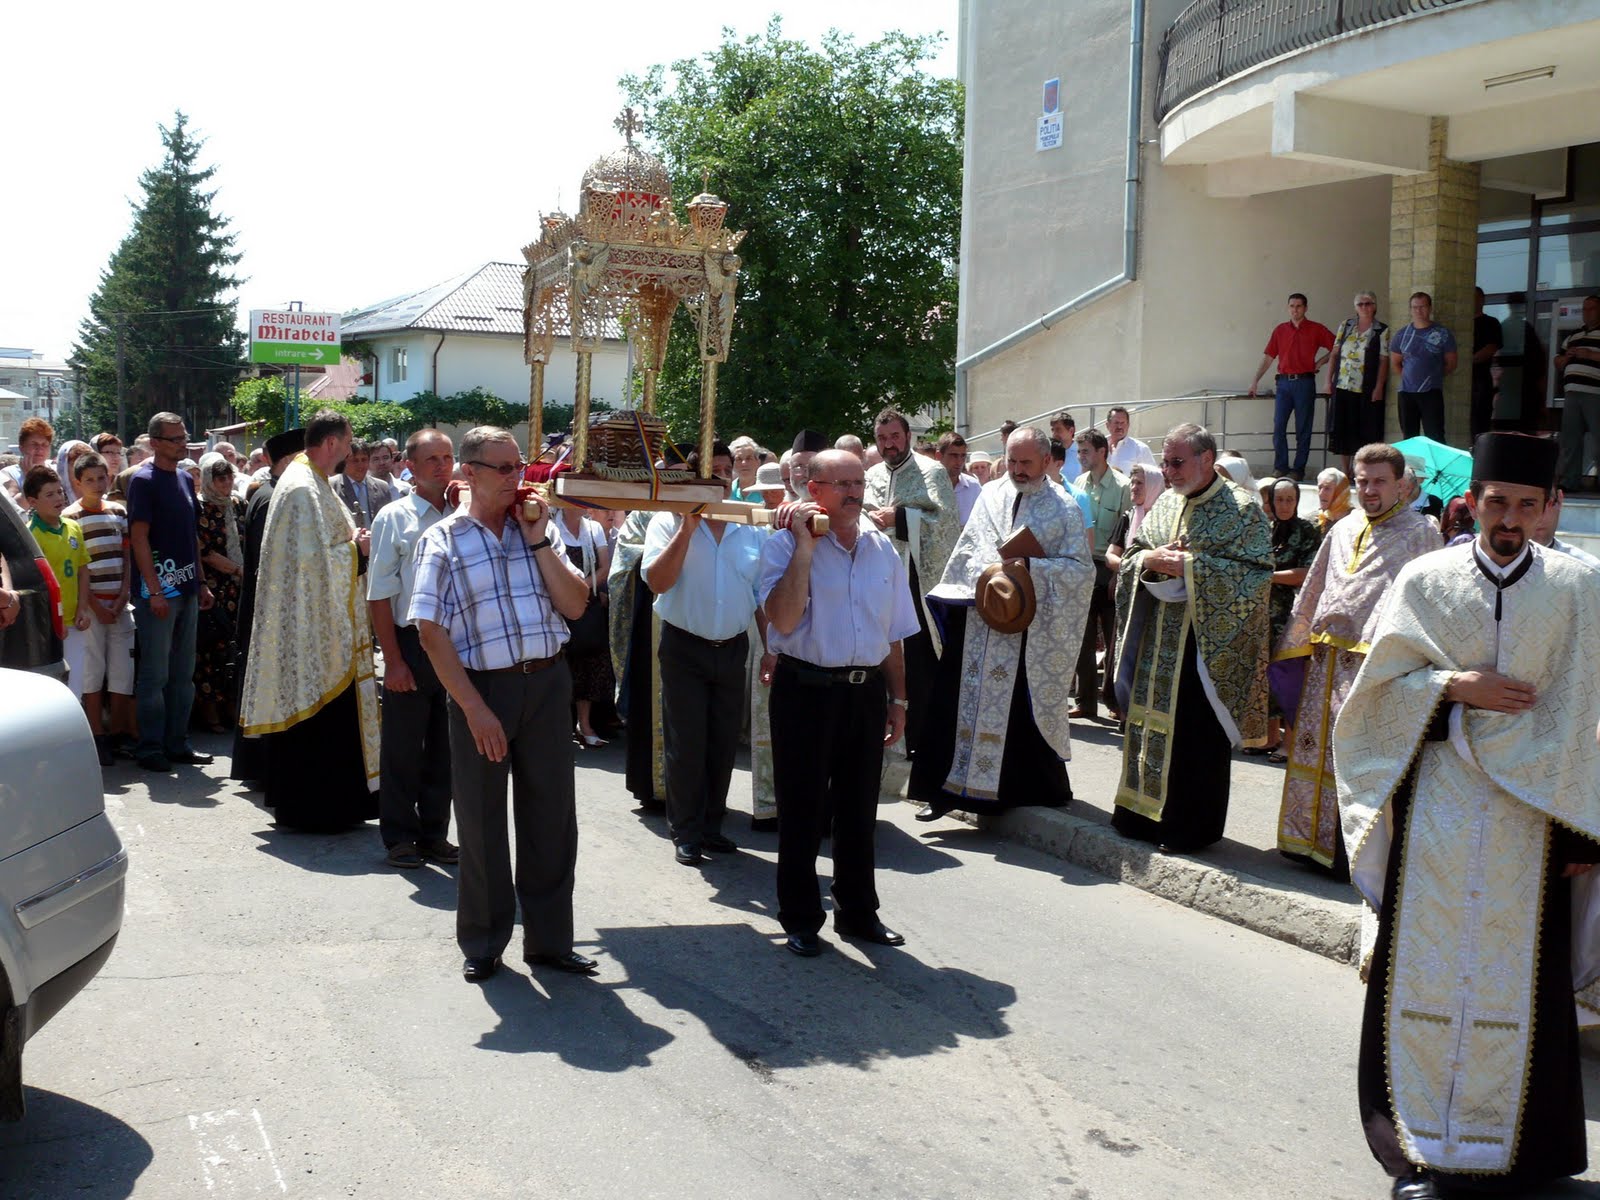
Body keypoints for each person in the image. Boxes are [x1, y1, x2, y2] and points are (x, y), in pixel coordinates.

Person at [1335, 432, 1600, 1199]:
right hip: (1440, 814)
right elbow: (1373, 701)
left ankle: (1528, 1155)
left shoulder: (1579, 590)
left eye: (1526, 503)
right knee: (1424, 977)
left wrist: (1584, 829)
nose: (1509, 518)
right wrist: (1452, 687)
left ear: (1549, 505)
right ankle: (1419, 1151)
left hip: (1535, 821)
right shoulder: (1425, 580)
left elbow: (1590, 713)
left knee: (1526, 987)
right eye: (1496, 502)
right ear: (1471, 501)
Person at [409, 425, 596, 983]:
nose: (518, 477)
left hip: (546, 684)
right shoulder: (442, 539)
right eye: (505, 468)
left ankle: (550, 940)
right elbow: (429, 631)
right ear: (469, 474)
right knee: (483, 819)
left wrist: (539, 539)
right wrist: (473, 707)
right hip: (483, 690)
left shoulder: (537, 529)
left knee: (551, 816)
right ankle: (485, 941)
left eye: (520, 466)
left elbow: (577, 605)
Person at [762, 449, 918, 956]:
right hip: (805, 689)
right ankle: (802, 917)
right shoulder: (783, 543)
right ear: (814, 489)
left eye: (860, 482)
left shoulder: (881, 547)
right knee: (803, 808)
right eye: (843, 484)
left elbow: (893, 633)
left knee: (857, 810)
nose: (855, 492)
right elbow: (782, 621)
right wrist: (805, 548)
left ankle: (857, 912)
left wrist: (899, 698)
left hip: (865, 690)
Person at [910, 426, 1094, 822]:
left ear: (1046, 461)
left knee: (1018, 715)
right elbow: (968, 547)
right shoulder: (990, 493)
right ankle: (943, 791)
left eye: (1026, 462)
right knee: (952, 703)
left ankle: (1020, 792)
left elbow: (1081, 572)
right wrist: (986, 573)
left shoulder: (1064, 508)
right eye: (1011, 460)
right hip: (979, 615)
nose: (1017, 469)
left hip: (1026, 629)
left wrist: (1028, 568)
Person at [1272, 444, 1437, 874]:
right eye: (1362, 481)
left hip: (1374, 668)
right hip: (1326, 662)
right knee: (1315, 751)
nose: (1369, 490)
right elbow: (1316, 586)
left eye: (1379, 481)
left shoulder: (1420, 534)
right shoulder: (1343, 527)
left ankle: (1351, 857)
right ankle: (1305, 841)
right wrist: (1299, 640)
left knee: (1356, 757)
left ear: (1401, 484)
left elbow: (1428, 606)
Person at [1111, 423, 1273, 852]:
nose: (1169, 470)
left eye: (1177, 462)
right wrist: (1149, 557)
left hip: (1204, 649)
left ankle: (1188, 827)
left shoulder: (1242, 509)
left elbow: (1257, 575)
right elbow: (1133, 553)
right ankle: (1140, 816)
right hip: (1157, 636)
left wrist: (1191, 568)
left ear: (1206, 459)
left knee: (1193, 737)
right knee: (1147, 725)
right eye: (1165, 462)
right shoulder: (1165, 503)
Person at [237, 411, 380, 829]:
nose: (352, 449)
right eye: (349, 441)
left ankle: (337, 804)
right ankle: (318, 809)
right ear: (333, 443)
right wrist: (358, 551)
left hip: (320, 621)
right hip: (311, 631)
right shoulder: (302, 487)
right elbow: (311, 563)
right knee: (320, 723)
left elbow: (321, 544)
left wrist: (351, 541)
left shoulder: (309, 480)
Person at [642, 458, 766, 865]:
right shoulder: (666, 521)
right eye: (709, 469)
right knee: (687, 743)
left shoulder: (747, 524)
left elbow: (761, 593)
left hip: (731, 647)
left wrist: (773, 650)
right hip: (685, 647)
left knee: (723, 742)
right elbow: (657, 582)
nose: (718, 475)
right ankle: (686, 829)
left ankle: (712, 825)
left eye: (724, 468)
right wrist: (686, 528)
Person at [368, 429, 458, 870]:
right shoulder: (394, 517)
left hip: (459, 645)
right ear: (411, 466)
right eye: (432, 459)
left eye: (448, 457)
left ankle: (434, 833)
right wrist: (395, 660)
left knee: (447, 745)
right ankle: (400, 836)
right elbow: (380, 595)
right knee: (404, 746)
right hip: (413, 642)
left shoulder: (468, 513)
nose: (442, 466)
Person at [863, 408, 958, 755]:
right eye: (883, 438)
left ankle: (921, 743)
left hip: (915, 584)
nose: (889, 445)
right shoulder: (870, 474)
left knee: (917, 665)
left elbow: (946, 524)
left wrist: (900, 517)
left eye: (895, 437)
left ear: (908, 437)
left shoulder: (931, 471)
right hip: (874, 582)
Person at [127, 412, 215, 772]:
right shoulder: (143, 481)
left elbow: (190, 536)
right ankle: (150, 747)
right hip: (159, 594)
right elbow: (139, 538)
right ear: (155, 443)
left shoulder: (183, 478)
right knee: (155, 674)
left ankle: (177, 742)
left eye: (184, 437)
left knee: (183, 673)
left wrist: (203, 582)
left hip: (189, 587)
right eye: (175, 439)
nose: (183, 444)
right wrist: (155, 590)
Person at [230, 428, 304, 784]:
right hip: (268, 609)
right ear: (288, 460)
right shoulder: (272, 498)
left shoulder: (275, 494)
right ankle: (260, 767)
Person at [64, 451, 135, 765]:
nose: (96, 484)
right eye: (89, 479)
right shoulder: (71, 517)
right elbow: (80, 568)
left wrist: (123, 595)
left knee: (123, 672)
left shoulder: (119, 512)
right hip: (92, 608)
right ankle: (97, 734)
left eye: (101, 477)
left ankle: (119, 733)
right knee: (94, 673)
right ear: (77, 482)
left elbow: (126, 557)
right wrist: (94, 604)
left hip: (120, 604)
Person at [1250, 477, 1322, 762]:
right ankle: (1269, 737)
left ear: (1297, 501)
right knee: (1264, 678)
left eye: (1289, 499)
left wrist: (1268, 577)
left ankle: (1289, 743)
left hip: (1293, 618)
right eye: (1279, 500)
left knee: (1290, 681)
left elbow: (1307, 572)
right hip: (1263, 616)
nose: (1284, 505)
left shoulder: (1308, 531)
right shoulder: (1265, 530)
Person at [609, 505, 666, 807]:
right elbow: (623, 565)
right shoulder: (644, 515)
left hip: (693, 619)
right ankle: (650, 786)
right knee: (649, 701)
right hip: (650, 616)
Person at [1071, 428, 1129, 721]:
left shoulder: (1123, 486)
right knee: (1082, 637)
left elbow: (1128, 533)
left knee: (1112, 637)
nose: (1081, 457)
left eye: (1085, 451)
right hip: (1084, 567)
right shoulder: (1078, 483)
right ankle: (1086, 701)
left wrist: (1118, 573)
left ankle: (1114, 701)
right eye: (1079, 451)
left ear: (1102, 452)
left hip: (1110, 568)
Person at [1248, 292, 1336, 481]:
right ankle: (1280, 467)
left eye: (1298, 306)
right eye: (1292, 306)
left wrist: (1320, 362)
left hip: (1305, 382)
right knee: (1279, 426)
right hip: (1284, 383)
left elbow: (1337, 346)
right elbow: (1269, 357)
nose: (1295, 310)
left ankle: (1298, 469)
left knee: (1303, 428)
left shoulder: (1316, 329)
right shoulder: (1280, 330)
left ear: (1305, 308)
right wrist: (1255, 380)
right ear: (1288, 308)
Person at [23, 466, 92, 695]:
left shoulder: (72, 527)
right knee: (53, 689)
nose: (58, 498)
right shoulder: (30, 536)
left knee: (76, 686)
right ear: (32, 501)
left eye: (60, 492)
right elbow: (36, 585)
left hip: (75, 621)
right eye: (49, 494)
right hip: (50, 627)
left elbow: (83, 570)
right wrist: (53, 620)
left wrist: (83, 609)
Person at [193, 453, 245, 734]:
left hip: (239, 587)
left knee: (234, 649)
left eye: (229, 477)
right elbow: (205, 552)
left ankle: (232, 708)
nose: (225, 483)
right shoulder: (199, 507)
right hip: (213, 588)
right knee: (210, 651)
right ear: (208, 480)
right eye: (219, 478)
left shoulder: (238, 504)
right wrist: (237, 571)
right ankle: (210, 713)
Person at [555, 503, 614, 748]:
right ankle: (560, 726)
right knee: (561, 663)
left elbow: (605, 566)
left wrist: (583, 586)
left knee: (589, 661)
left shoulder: (593, 529)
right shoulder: (552, 527)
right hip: (557, 603)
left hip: (585, 601)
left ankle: (584, 724)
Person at [1326, 291, 1390, 479]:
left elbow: (1383, 360)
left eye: (1368, 303)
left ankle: (1361, 470)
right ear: (1355, 307)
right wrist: (1327, 380)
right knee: (1342, 427)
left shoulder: (1381, 330)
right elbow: (1335, 353)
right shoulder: (1346, 326)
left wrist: (1379, 386)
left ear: (1375, 306)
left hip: (1366, 387)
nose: (1364, 307)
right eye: (1360, 304)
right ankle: (1345, 471)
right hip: (1342, 385)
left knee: (1364, 428)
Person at [1389, 291, 1458, 443]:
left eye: (1422, 307)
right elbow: (1395, 362)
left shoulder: (1443, 333)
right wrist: (1410, 377)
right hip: (1406, 393)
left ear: (1430, 308)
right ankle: (1411, 467)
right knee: (1409, 437)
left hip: (1431, 392)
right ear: (1410, 309)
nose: (1418, 311)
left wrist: (1433, 376)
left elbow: (1452, 363)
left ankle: (1437, 467)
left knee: (1435, 436)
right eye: (1415, 307)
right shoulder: (1402, 334)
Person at [1555, 293, 1600, 491]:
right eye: (1584, 309)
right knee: (1570, 439)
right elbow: (1557, 360)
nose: (1587, 313)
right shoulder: (1574, 335)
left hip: (1595, 392)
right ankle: (1570, 481)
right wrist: (1565, 359)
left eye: (1592, 308)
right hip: (1572, 393)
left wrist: (1590, 354)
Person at [331, 439, 395, 535]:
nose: (360, 464)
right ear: (345, 461)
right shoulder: (332, 486)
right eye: (355, 460)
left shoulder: (382, 487)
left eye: (364, 459)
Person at [1533, 486, 1600, 568]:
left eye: (1548, 502)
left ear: (1560, 499)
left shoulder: (1588, 569)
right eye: (1527, 504)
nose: (1540, 516)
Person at [1470, 286, 1504, 441]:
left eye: (1476, 297)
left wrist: (1467, 362)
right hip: (1459, 380)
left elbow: (1491, 348)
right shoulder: (1461, 324)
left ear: (1482, 300)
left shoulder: (1491, 323)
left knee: (1480, 422)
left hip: (1481, 379)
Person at [3, 416, 54, 505]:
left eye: (44, 444)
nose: (40, 449)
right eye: (34, 444)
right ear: (21, 447)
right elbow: (14, 509)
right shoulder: (8, 474)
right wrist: (30, 478)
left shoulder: (55, 470)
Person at [936, 431, 981, 525]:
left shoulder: (974, 486)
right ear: (939, 456)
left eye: (963, 456)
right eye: (954, 456)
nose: (959, 462)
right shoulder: (926, 486)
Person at [1105, 406, 1156, 475]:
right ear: (1108, 425)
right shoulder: (1099, 447)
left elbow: (1153, 476)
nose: (1119, 427)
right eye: (1116, 423)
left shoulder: (1141, 449)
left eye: (1122, 423)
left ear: (1128, 425)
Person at [1315, 467, 1353, 532]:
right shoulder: (1313, 520)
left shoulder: (1354, 520)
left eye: (1327, 488)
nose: (1321, 494)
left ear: (1340, 491)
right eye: (1320, 487)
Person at [1049, 412, 1081, 482]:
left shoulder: (1082, 453)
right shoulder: (1048, 453)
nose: (1054, 434)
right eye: (1052, 430)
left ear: (1071, 431)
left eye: (1058, 429)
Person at [728, 435, 762, 500]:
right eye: (739, 459)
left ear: (758, 462)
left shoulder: (767, 492)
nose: (744, 463)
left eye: (749, 458)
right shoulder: (727, 492)